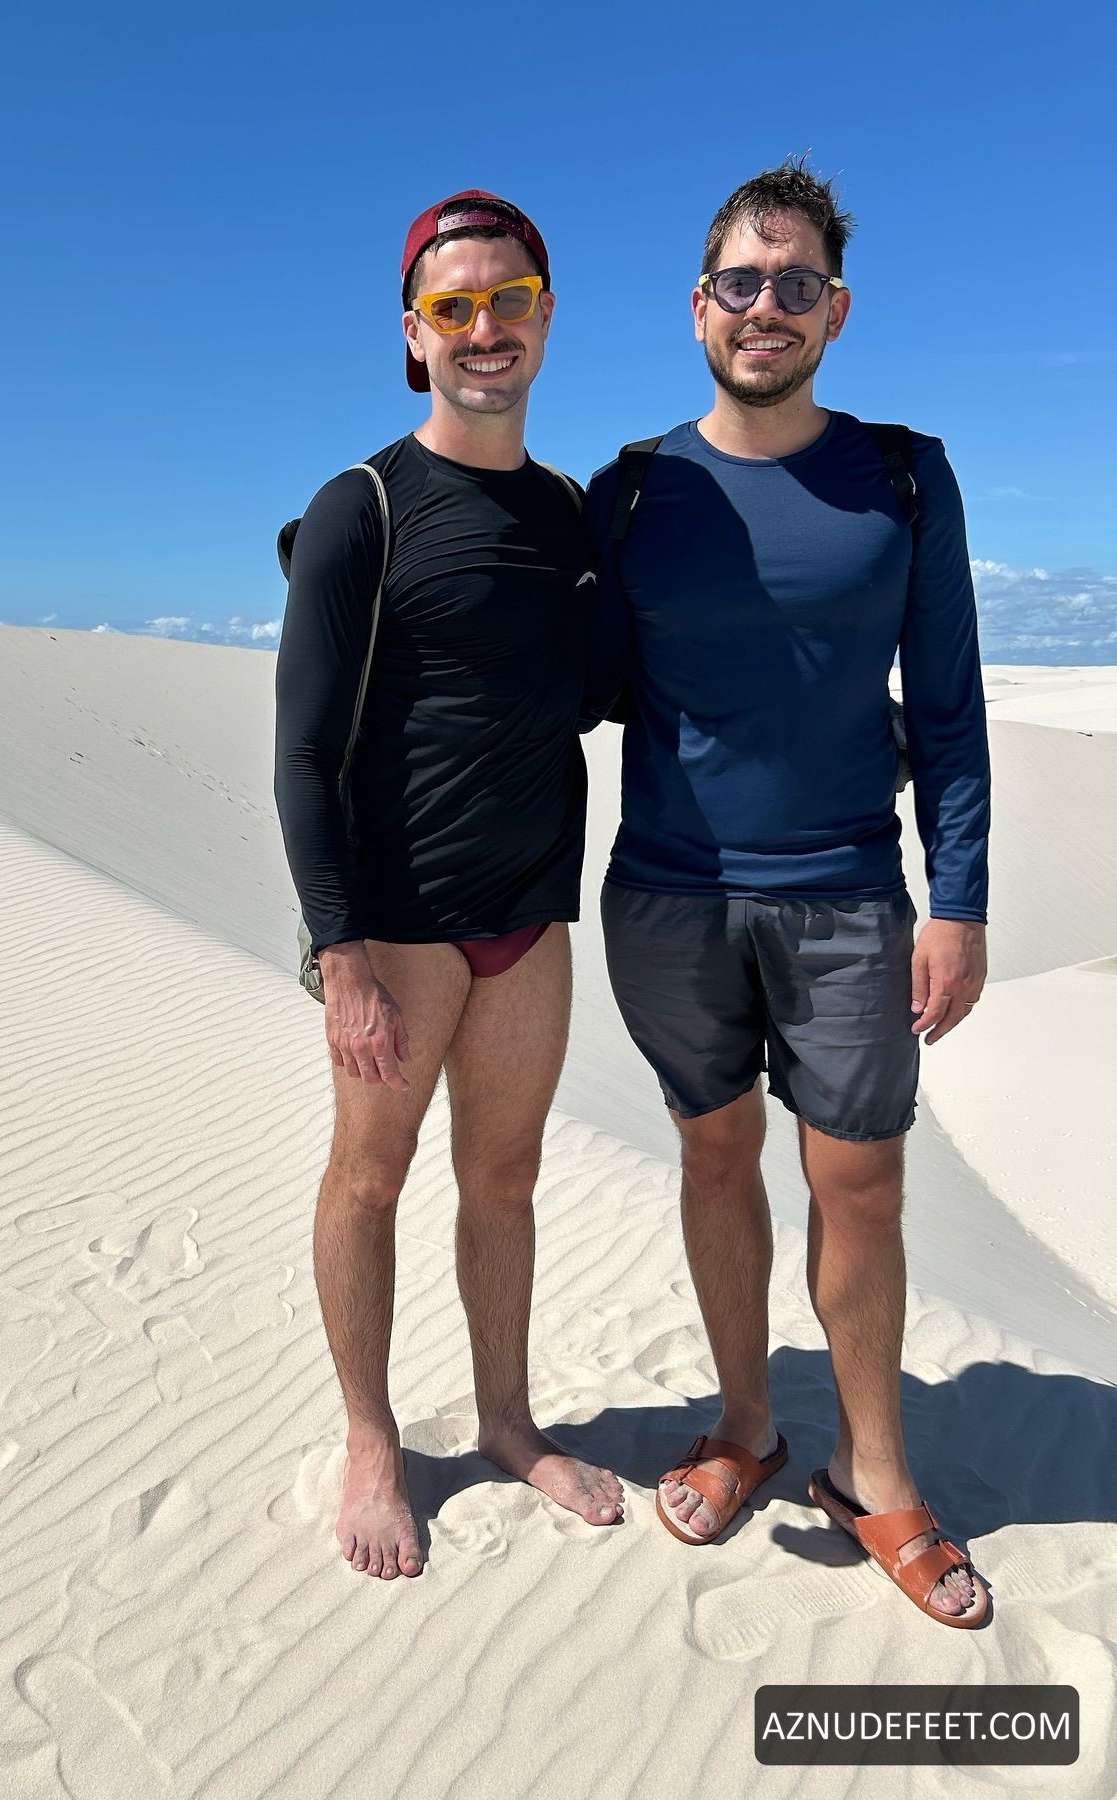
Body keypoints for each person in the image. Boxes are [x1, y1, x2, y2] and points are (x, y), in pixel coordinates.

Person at [585, 158, 992, 1627]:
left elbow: (947, 702)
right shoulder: (634, 490)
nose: (768, 306)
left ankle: (874, 1471)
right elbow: (552, 679)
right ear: (700, 306)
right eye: (743, 282)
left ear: (837, 309)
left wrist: (960, 900)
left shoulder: (904, 475)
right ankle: (747, 1423)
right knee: (713, 1161)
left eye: (796, 283)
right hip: (668, 898)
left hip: (846, 899)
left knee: (860, 1182)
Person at [274, 190, 624, 1581]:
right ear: (415, 335)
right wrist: (340, 954)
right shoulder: (358, 508)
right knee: (370, 1179)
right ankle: (371, 1437)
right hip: (400, 924)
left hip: (531, 916)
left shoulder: (566, 513)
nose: (487, 329)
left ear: (546, 316)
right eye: (455, 307)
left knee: (507, 1177)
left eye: (510, 300)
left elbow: (598, 688)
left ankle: (507, 1422)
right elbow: (304, 752)